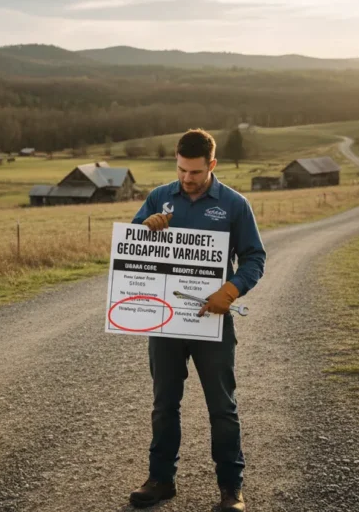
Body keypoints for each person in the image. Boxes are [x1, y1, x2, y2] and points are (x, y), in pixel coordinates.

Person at [128, 129, 266, 512]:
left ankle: (230, 489)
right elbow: (132, 250)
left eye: (195, 172)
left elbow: (255, 258)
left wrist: (232, 290)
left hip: (212, 322)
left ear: (212, 165)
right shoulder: (159, 196)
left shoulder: (235, 205)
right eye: (181, 170)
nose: (186, 179)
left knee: (222, 407)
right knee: (163, 403)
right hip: (165, 322)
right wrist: (145, 230)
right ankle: (160, 480)